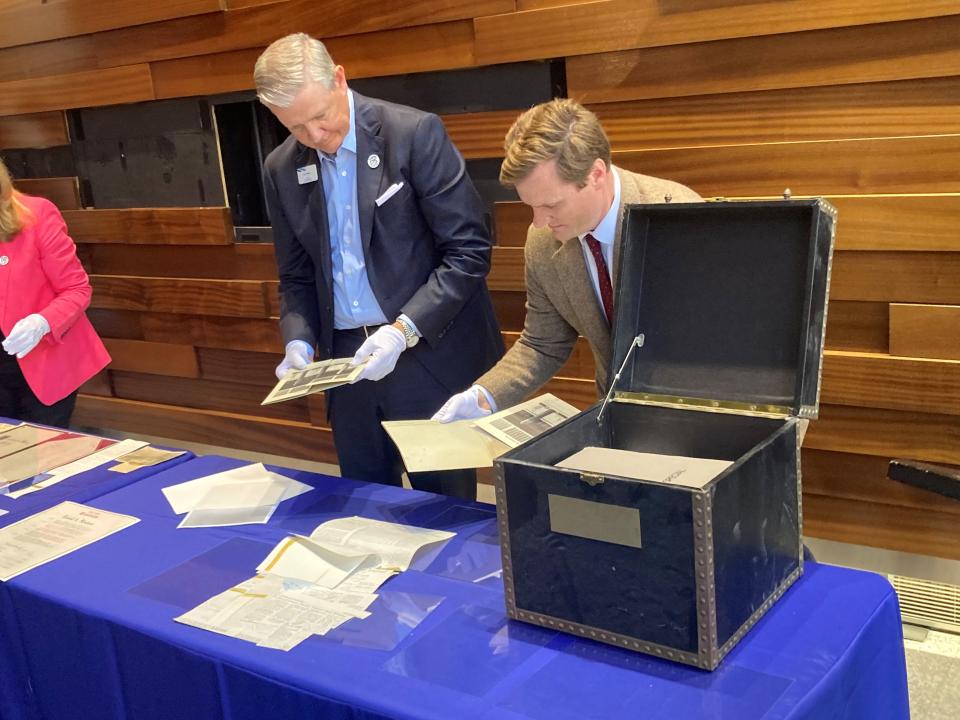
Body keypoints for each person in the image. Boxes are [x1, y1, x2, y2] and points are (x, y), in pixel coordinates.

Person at [254, 34, 503, 500]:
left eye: (320, 117)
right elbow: (296, 275)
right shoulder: (281, 167)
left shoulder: (412, 134)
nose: (314, 137)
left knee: (444, 508)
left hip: (424, 353)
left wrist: (403, 329)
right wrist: (298, 340)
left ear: (340, 79)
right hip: (346, 366)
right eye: (295, 127)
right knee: (364, 504)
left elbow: (468, 250)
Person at [433, 98, 701, 422]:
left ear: (596, 174)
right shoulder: (543, 241)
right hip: (614, 413)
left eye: (551, 205)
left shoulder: (680, 218)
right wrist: (484, 395)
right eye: (530, 205)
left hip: (695, 412)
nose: (538, 222)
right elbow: (542, 342)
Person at [0, 158, 110, 426]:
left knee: (42, 458)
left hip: (43, 362)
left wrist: (43, 322)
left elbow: (76, 289)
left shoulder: (37, 214)